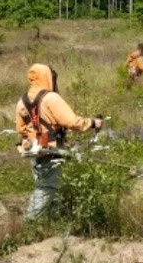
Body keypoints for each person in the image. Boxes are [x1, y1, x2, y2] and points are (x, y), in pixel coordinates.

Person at [15, 63, 103, 220]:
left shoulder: (22, 101)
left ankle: (53, 219)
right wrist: (92, 123)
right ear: (47, 78)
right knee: (47, 188)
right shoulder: (51, 98)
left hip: (33, 150)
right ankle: (29, 223)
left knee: (48, 185)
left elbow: (21, 130)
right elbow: (72, 122)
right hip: (51, 150)